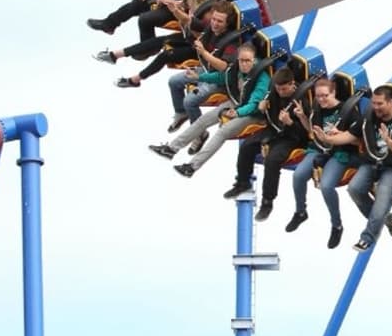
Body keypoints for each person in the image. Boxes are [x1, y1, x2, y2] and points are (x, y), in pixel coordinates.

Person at [154, 36, 274, 195]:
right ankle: (171, 148)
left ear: (254, 60)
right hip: (236, 102)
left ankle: (192, 167)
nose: (244, 64)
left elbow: (253, 104)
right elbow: (221, 77)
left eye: (247, 61)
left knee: (223, 131)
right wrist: (199, 77)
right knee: (204, 119)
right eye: (241, 60)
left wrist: (237, 113)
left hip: (252, 113)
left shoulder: (262, 78)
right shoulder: (236, 69)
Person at [345, 84, 392, 252]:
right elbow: (350, 135)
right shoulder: (370, 117)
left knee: (383, 196)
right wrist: (327, 137)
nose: (376, 107)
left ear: (391, 102)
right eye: (374, 103)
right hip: (374, 162)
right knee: (354, 189)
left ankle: (367, 237)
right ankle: (378, 218)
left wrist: (388, 141)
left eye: (380, 104)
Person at [288, 73, 360, 247]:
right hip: (320, 148)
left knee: (326, 186)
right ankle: (300, 212)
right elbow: (313, 131)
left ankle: (336, 225)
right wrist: (302, 118)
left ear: (333, 93)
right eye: (318, 96)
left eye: (325, 96)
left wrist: (339, 135)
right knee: (298, 176)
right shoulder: (317, 109)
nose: (321, 99)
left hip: (340, 152)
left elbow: (358, 138)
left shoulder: (348, 111)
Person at [249, 59, 312, 224]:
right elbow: (268, 119)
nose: (281, 92)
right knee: (248, 145)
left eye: (284, 89)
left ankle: (267, 202)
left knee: (272, 160)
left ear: (292, 85)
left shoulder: (302, 101)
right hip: (275, 131)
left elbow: (307, 134)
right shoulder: (274, 93)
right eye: (278, 89)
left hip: (293, 137)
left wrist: (291, 122)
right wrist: (261, 109)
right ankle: (242, 182)